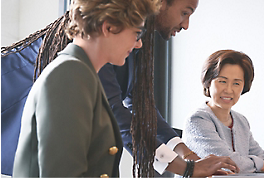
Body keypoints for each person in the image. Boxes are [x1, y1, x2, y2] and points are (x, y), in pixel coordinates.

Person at [12, 0, 159, 177]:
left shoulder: (80, 73)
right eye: (136, 33)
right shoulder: (70, 74)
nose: (139, 44)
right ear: (109, 27)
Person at [97, 0, 239, 176]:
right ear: (161, 3)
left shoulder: (136, 43)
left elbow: (143, 107)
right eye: (185, 13)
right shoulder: (101, 42)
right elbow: (114, 114)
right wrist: (187, 168)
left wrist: (186, 154)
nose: (186, 25)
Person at [183, 49, 264, 173]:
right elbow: (227, 162)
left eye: (236, 83)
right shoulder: (197, 119)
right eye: (222, 81)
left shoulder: (240, 120)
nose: (229, 90)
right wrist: (260, 164)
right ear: (208, 82)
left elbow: (258, 155)